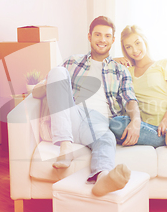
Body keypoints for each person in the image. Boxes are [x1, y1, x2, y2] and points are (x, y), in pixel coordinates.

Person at [31, 16, 142, 196]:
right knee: (58, 71)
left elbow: (130, 99)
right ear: (89, 36)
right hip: (71, 116)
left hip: (100, 122)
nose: (102, 40)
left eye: (107, 36)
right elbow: (37, 92)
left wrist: (136, 120)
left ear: (113, 40)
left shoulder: (120, 70)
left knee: (107, 139)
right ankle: (65, 147)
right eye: (98, 35)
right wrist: (51, 81)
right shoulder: (72, 62)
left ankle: (102, 178)